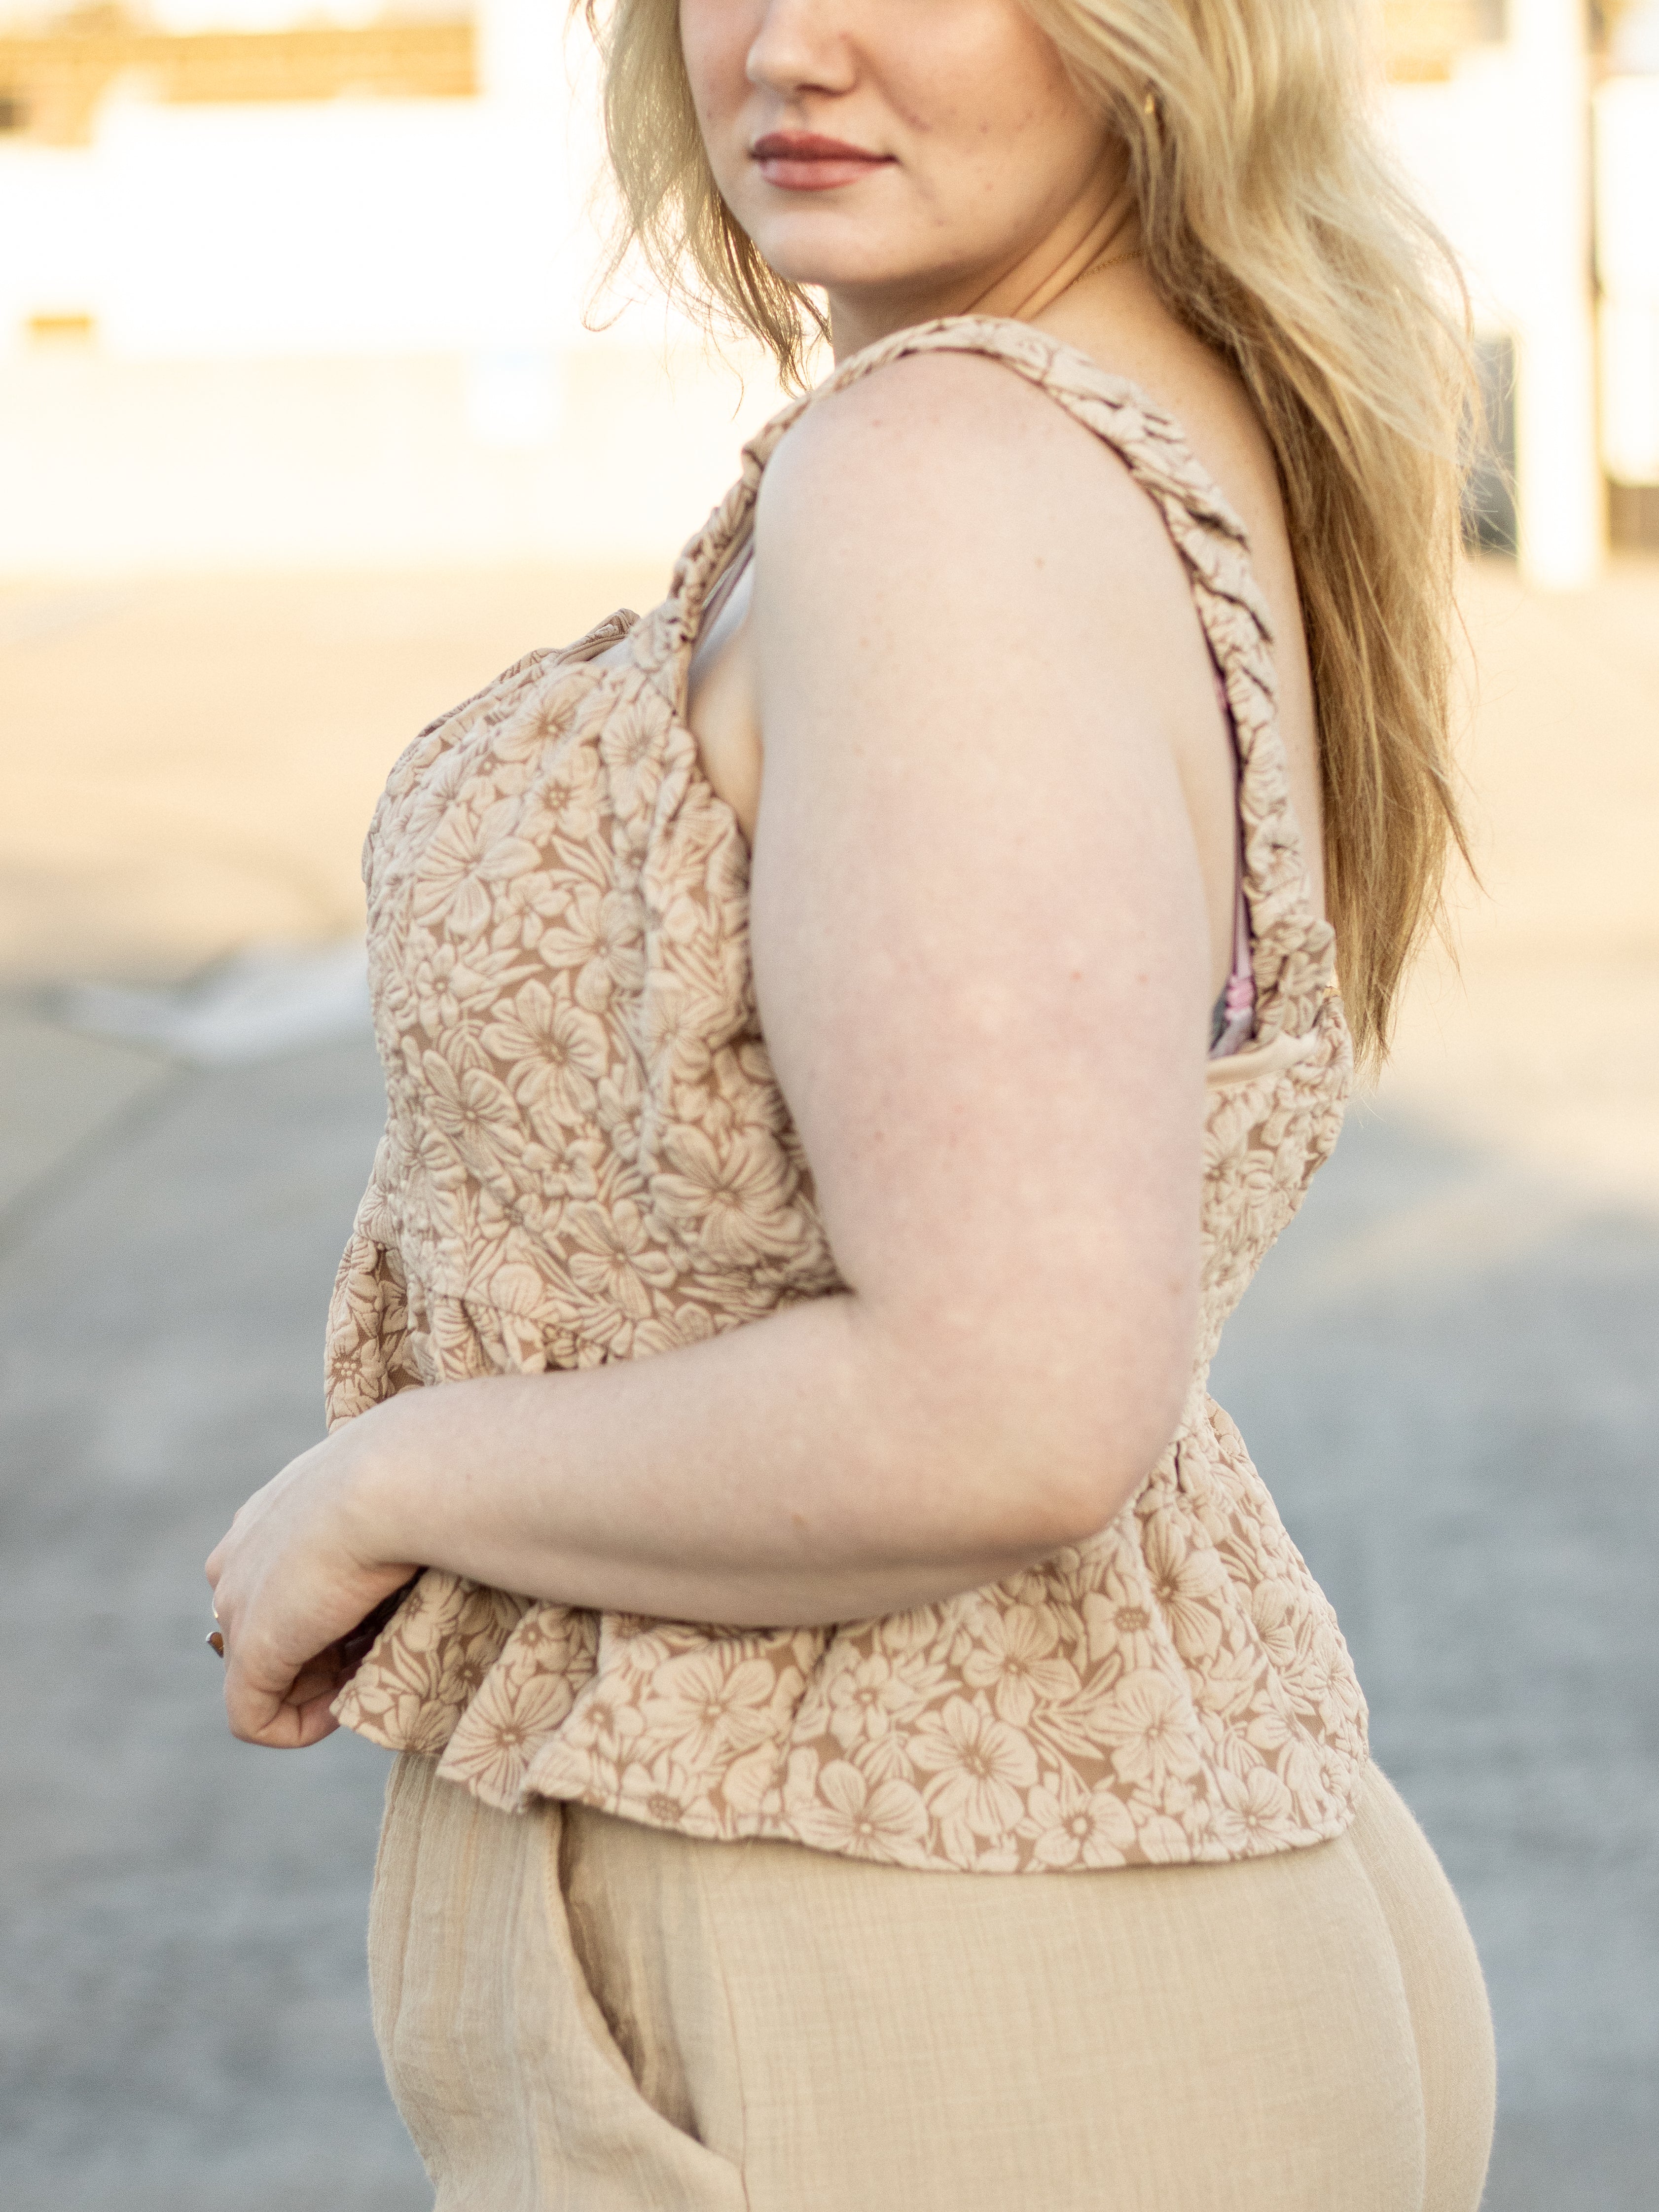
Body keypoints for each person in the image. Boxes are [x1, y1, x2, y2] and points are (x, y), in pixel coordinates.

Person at [205, 0, 1497, 2204]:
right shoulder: (1120, 432)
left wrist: (386, 1479)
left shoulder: (944, 478)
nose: (794, 44)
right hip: (1040, 1936)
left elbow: (1009, 1403)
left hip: (910, 2000)